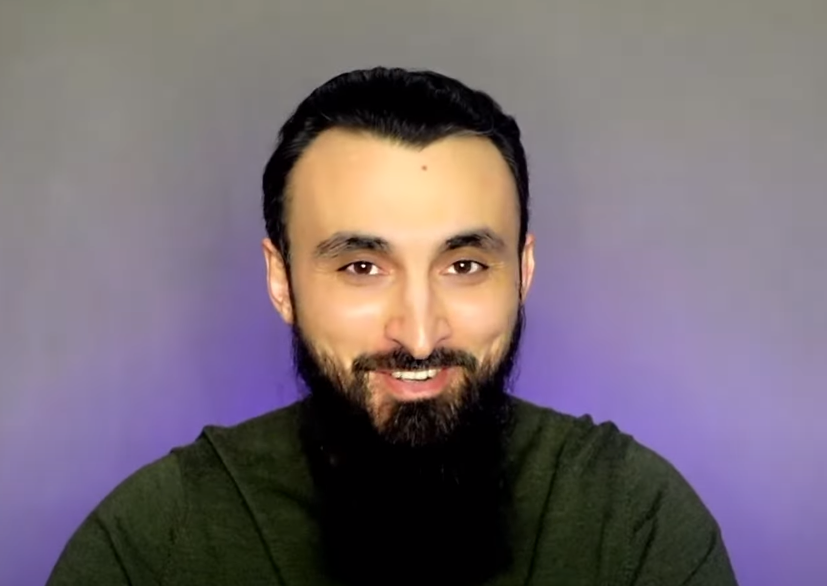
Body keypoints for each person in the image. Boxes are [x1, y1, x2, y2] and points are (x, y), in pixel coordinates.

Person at [46, 66, 739, 586]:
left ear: (522, 272)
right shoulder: (154, 544)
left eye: (464, 265)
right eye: (361, 267)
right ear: (281, 281)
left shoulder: (631, 520)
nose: (418, 335)